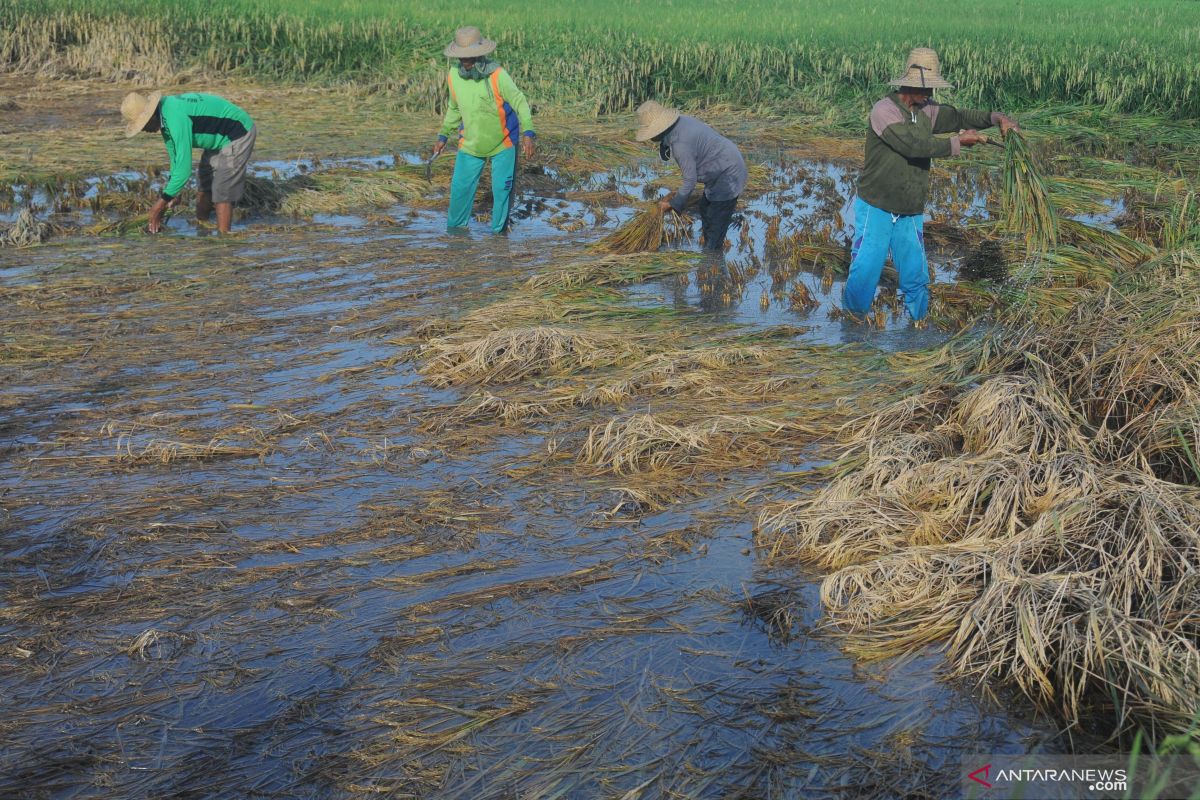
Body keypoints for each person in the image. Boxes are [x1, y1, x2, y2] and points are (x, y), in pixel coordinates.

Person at [843, 47, 1018, 321]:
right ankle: (852, 328)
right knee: (866, 270)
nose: (931, 95)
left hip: (909, 208)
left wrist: (997, 118)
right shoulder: (884, 111)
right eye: (927, 88)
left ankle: (919, 328)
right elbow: (913, 146)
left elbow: (959, 117)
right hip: (877, 205)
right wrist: (958, 142)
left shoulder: (927, 110)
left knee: (915, 274)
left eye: (932, 89)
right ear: (909, 83)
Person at [432, 26, 535, 235]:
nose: (465, 61)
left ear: (480, 54)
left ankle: (499, 242)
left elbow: (520, 102)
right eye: (461, 58)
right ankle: (456, 243)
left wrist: (529, 133)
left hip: (503, 143)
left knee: (501, 192)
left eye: (469, 57)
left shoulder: (497, 75)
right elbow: (454, 107)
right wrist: (443, 135)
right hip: (471, 143)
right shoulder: (453, 76)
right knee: (460, 191)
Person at [121, 91, 257, 234]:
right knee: (204, 182)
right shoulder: (165, 115)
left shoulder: (174, 117)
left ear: (151, 115)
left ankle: (224, 242)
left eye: (143, 125)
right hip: (219, 138)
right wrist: (172, 192)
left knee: (221, 189)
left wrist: (158, 207)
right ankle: (202, 228)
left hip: (238, 133)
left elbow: (184, 170)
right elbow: (176, 159)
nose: (143, 130)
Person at [635, 101, 747, 252]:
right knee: (705, 208)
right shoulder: (681, 122)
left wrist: (672, 204)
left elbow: (690, 180)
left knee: (716, 221)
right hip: (723, 163)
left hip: (728, 173)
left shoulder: (681, 144)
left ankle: (711, 260)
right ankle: (710, 252)